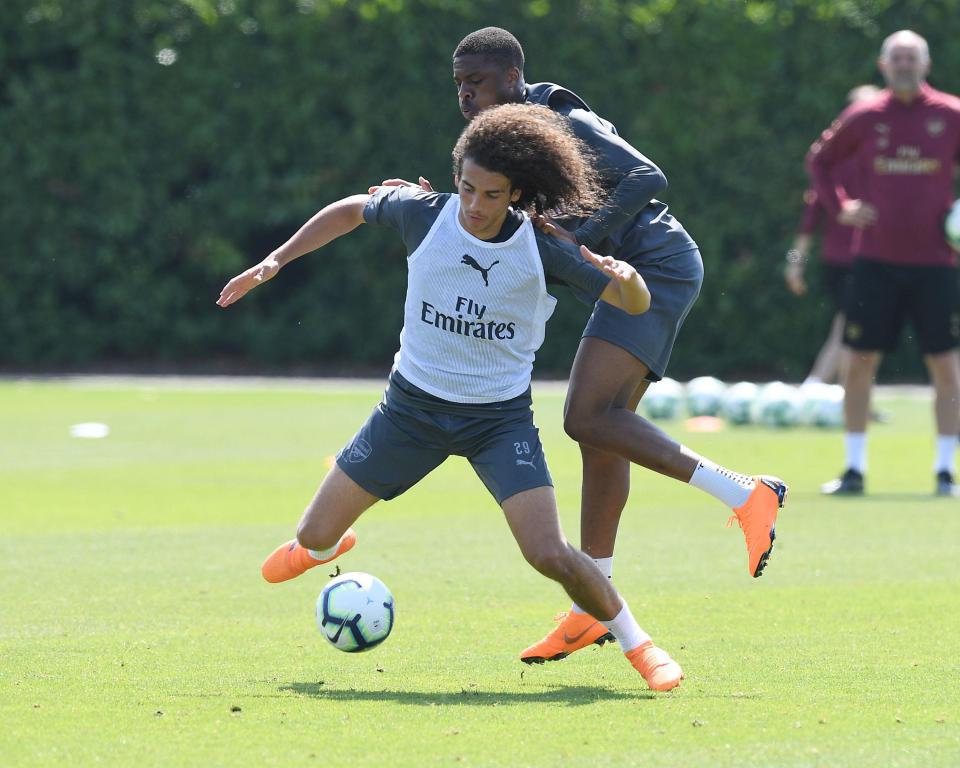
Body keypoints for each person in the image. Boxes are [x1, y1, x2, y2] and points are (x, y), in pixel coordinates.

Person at [217, 104, 686, 691]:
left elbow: (632, 305)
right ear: (455, 177)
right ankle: (322, 546)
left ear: (516, 193)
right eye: (466, 187)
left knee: (548, 553)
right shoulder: (422, 212)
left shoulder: (546, 248)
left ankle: (641, 647)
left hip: (498, 425)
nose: (474, 204)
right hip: (408, 414)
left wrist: (630, 280)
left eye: (492, 194)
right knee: (312, 537)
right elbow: (348, 211)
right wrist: (273, 262)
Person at [440, 27, 787, 664]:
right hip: (628, 275)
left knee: (587, 416)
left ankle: (747, 494)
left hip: (656, 264)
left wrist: (580, 239)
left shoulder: (554, 114)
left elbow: (646, 174)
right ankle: (587, 609)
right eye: (459, 85)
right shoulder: (501, 141)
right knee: (599, 435)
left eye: (477, 83)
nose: (465, 96)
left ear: (514, 78)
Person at [807, 30, 960, 497]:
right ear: (883, 65)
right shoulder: (866, 114)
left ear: (926, 64)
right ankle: (853, 469)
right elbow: (821, 161)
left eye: (912, 58)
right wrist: (842, 207)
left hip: (938, 263)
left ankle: (945, 471)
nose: (905, 66)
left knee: (947, 367)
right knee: (858, 363)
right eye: (897, 59)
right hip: (875, 260)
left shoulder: (951, 115)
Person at [785, 85, 881, 387]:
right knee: (846, 328)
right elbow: (808, 223)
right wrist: (795, 263)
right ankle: (815, 387)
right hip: (848, 263)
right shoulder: (834, 166)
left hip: (877, 258)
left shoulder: (882, 163)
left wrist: (794, 264)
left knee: (860, 331)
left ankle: (851, 395)